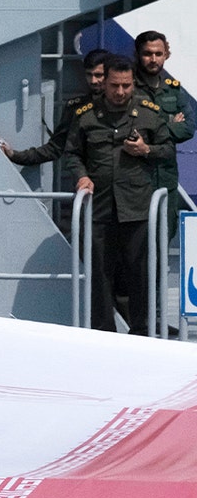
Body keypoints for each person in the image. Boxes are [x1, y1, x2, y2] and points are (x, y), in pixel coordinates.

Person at [62, 55, 176, 334]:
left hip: (136, 208)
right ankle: (104, 331)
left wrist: (146, 150)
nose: (121, 92)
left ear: (133, 84)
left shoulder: (149, 113)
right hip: (99, 208)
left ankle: (141, 332)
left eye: (126, 86)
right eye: (115, 85)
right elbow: (72, 153)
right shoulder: (86, 115)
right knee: (100, 275)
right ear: (105, 82)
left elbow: (168, 149)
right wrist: (82, 176)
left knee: (140, 274)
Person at [133, 30, 196, 239]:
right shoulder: (128, 89)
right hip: (136, 181)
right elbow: (129, 131)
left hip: (166, 180)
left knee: (164, 237)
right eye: (147, 54)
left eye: (158, 54)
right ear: (138, 55)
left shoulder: (174, 91)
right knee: (136, 243)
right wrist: (169, 124)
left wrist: (153, 130)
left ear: (166, 55)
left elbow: (189, 126)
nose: (153, 59)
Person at [0, 48, 109, 165]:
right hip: (89, 179)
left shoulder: (128, 107)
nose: (93, 81)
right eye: (89, 75)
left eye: (98, 75)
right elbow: (55, 148)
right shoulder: (77, 108)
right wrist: (14, 155)